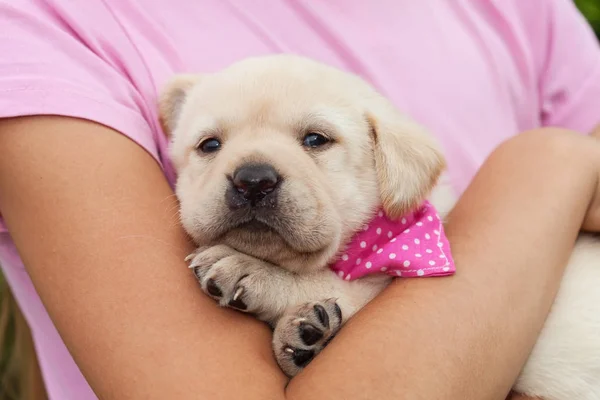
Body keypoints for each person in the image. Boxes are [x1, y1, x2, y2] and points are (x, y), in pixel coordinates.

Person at [0, 1, 599, 399]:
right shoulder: (44, 25)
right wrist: (551, 168)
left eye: (314, 139)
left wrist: (544, 161)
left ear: (396, 168)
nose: (254, 175)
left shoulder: (524, 10)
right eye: (210, 144)